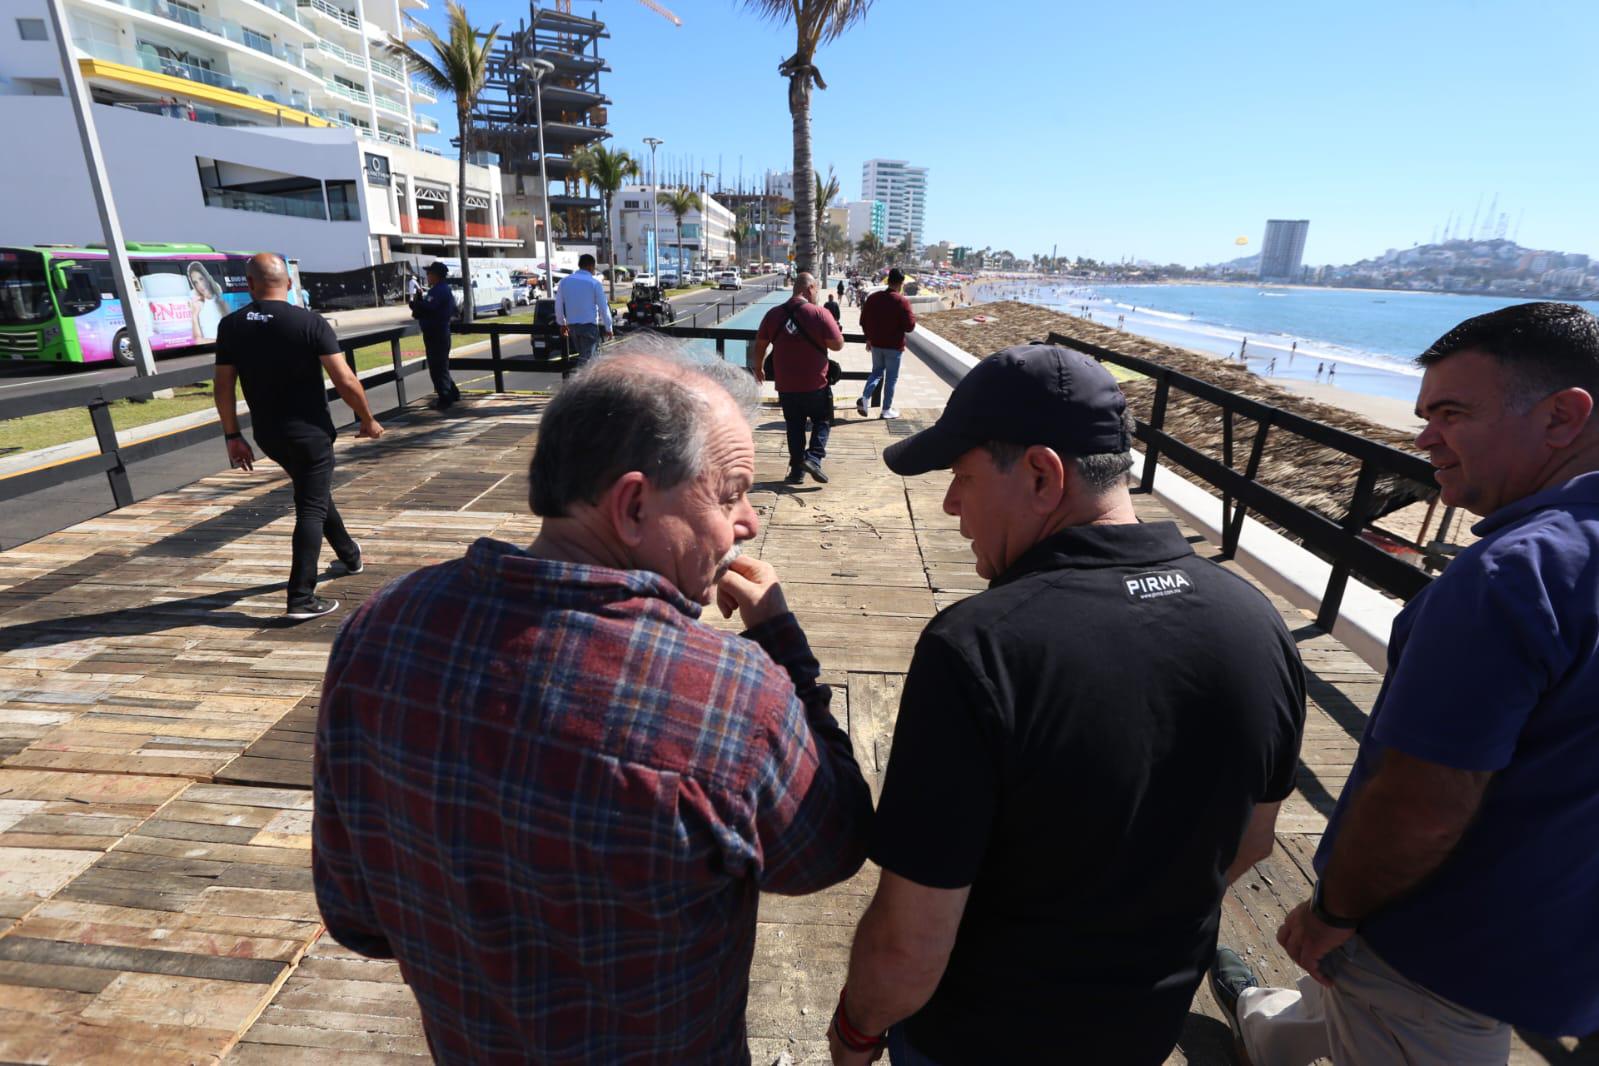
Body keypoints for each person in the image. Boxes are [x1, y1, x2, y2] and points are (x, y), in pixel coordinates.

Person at [313, 342, 873, 1063]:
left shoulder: (381, 626)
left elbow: (356, 913)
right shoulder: (729, 695)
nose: (747, 525)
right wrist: (782, 647)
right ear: (634, 504)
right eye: (730, 494)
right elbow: (826, 851)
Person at [828, 344, 1305, 1066]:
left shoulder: (978, 647)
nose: (952, 503)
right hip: (1140, 1026)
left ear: (1042, 475)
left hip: (983, 1037)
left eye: (960, 478)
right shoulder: (1254, 618)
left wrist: (855, 1032)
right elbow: (1253, 840)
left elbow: (910, 936)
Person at [1212, 302, 1599, 1065]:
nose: (1422, 437)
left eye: (1451, 413)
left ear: (1561, 417)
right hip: (1564, 929)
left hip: (1444, 953)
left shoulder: (1511, 577)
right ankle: (1268, 1028)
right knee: (1330, 1010)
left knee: (1365, 994)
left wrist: (1330, 911)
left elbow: (1421, 806)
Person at [213, 253, 383, 621]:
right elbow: (345, 380)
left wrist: (231, 434)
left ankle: (349, 555)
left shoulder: (231, 325)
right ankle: (301, 597)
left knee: (313, 492)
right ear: (289, 284)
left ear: (249, 285)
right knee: (310, 505)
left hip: (268, 435)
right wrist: (367, 419)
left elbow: (223, 385)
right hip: (310, 433)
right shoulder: (309, 322)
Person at [753, 271, 844, 485]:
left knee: (794, 426)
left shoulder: (773, 314)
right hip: (815, 384)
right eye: (817, 290)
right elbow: (837, 345)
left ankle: (796, 471)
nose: (817, 295)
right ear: (810, 289)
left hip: (786, 385)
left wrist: (759, 368)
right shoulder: (820, 314)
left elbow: (760, 345)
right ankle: (813, 458)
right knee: (822, 421)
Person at [857, 267, 917, 420]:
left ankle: (864, 398)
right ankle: (886, 410)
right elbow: (910, 327)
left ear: (888, 280)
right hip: (894, 347)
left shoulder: (873, 298)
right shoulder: (902, 301)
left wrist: (869, 338)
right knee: (891, 379)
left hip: (876, 344)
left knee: (876, 373)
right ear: (901, 283)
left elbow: (863, 321)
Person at [413, 262, 460, 409]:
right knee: (441, 366)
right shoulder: (440, 290)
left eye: (429, 273)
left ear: (436, 275)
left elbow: (430, 308)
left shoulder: (439, 290)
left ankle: (445, 398)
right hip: (438, 332)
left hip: (436, 333)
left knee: (437, 367)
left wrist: (417, 305)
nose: (427, 276)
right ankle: (452, 393)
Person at [556, 252, 615, 369]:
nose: (594, 271)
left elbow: (558, 305)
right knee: (587, 363)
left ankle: (582, 384)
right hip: (589, 327)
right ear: (590, 266)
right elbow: (604, 308)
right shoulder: (594, 283)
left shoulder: (564, 282)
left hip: (572, 327)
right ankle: (576, 384)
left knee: (584, 359)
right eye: (594, 268)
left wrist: (562, 323)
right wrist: (609, 328)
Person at [187, 261, 228, 342]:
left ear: (207, 277)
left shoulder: (220, 300)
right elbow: (197, 340)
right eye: (195, 283)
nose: (200, 285)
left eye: (201, 279)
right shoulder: (197, 303)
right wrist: (194, 314)